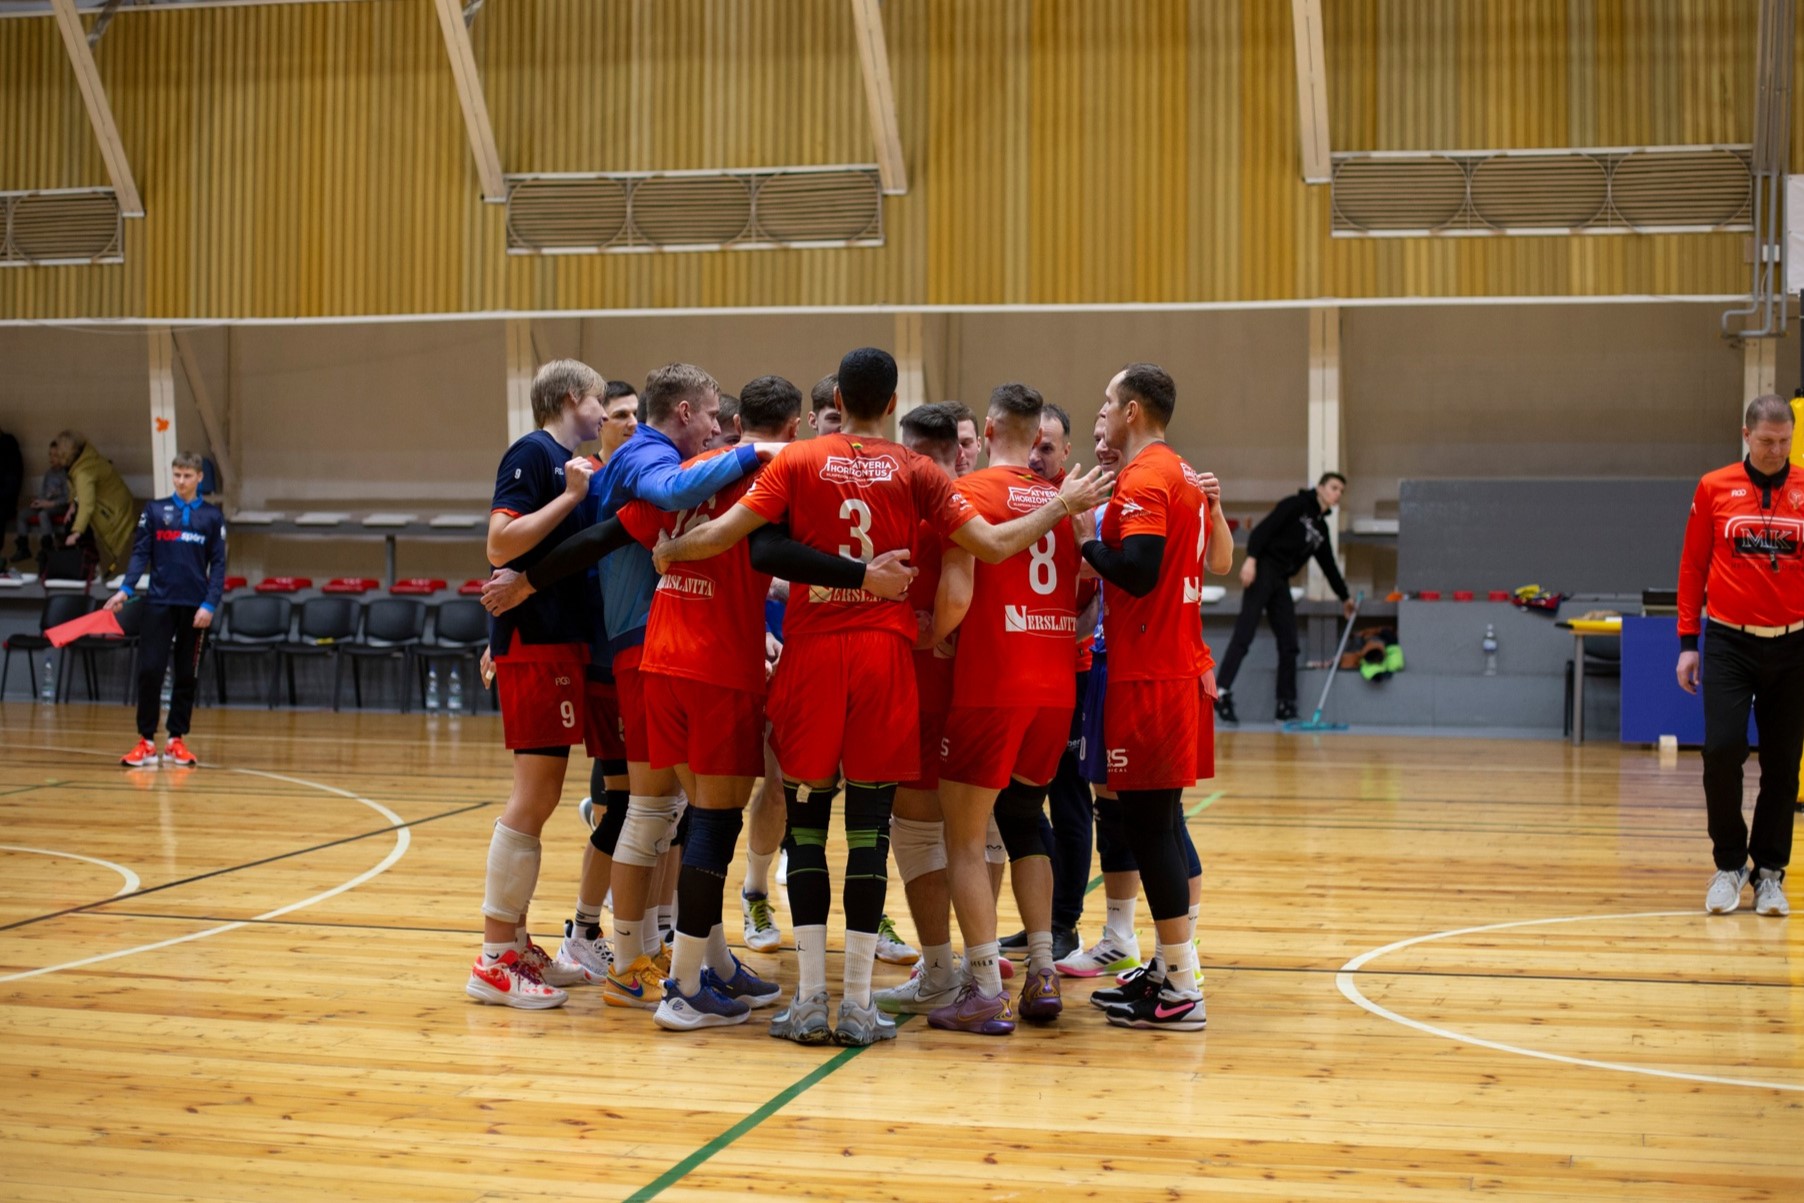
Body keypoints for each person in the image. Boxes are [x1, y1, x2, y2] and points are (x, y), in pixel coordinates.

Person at [653, 346, 1113, 1046]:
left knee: (808, 825)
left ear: (839, 394)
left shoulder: (799, 460)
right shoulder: (918, 469)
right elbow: (990, 546)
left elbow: (729, 536)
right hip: (884, 660)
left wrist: (670, 554)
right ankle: (861, 1004)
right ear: (895, 404)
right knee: (872, 823)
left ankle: (810, 999)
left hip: (811, 658)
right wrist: (1062, 503)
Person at [925, 384, 1086, 1036]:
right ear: (1034, 433)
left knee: (963, 836)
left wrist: (934, 635)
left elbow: (958, 594)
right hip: (1054, 687)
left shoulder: (970, 493)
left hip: (994, 680)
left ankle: (986, 986)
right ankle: (1044, 964)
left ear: (988, 428)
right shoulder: (1062, 502)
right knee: (1023, 818)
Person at [465, 359, 609, 1011]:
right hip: (533, 644)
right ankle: (494, 956)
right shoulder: (534, 453)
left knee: (545, 795)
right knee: (533, 795)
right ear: (573, 398)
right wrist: (572, 498)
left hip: (559, 644)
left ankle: (517, 943)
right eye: (601, 402)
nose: (605, 415)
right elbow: (500, 544)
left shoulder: (568, 460)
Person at [1076, 363, 1216, 1032]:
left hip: (1152, 675)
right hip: (1167, 667)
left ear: (1133, 410)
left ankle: (1183, 985)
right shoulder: (1183, 473)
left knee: (1152, 828)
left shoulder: (1146, 477)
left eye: (1108, 401)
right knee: (1152, 824)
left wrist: (1080, 536)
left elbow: (1138, 569)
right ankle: (1166, 968)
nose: (1101, 411)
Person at [1679, 394, 1802, 918]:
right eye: (1767, 440)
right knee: (1722, 750)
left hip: (1795, 644)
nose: (1776, 451)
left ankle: (1769, 873)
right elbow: (1692, 566)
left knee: (1782, 764)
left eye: (1785, 441)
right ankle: (1729, 863)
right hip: (1729, 640)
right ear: (1747, 435)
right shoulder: (1714, 486)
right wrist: (1688, 643)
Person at [873, 402, 969, 1017]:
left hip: (913, 688)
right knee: (976, 833)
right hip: (974, 693)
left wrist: (925, 633)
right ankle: (980, 958)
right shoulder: (971, 503)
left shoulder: (909, 509)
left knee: (915, 835)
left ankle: (940, 968)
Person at [106, 452, 227, 769]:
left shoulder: (212, 518)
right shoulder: (155, 511)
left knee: (187, 674)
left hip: (195, 608)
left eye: (187, 476)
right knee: (150, 671)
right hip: (159, 603)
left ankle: (176, 740)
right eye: (177, 475)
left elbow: (219, 566)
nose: (181, 481)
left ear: (200, 477)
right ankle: (146, 741)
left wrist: (210, 604)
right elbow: (140, 553)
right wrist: (125, 589)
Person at [1214, 471, 1357, 724]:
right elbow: (1262, 531)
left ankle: (1285, 704)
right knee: (1244, 634)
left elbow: (1329, 567)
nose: (1338, 494)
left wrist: (1345, 597)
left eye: (1341, 491)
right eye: (1334, 487)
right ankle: (1221, 692)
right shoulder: (1296, 504)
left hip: (1281, 580)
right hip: (1263, 569)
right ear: (1321, 488)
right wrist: (1251, 560)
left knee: (1289, 643)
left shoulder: (1320, 529)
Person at [55, 430, 137, 576]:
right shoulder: (88, 460)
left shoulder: (82, 472)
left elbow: (86, 504)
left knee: (122, 563)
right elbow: (84, 493)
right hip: (120, 509)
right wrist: (73, 504)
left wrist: (76, 532)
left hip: (113, 517)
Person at [11, 442, 72, 566]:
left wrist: (49, 503)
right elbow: (43, 493)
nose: (51, 458)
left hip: (58, 507)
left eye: (55, 455)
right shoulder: (49, 473)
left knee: (43, 515)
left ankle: (46, 547)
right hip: (44, 504)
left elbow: (68, 498)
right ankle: (23, 547)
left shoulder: (66, 474)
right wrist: (38, 501)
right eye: (50, 455)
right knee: (22, 515)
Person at [947, 403, 981, 477]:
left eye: (965, 444)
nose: (960, 455)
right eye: (951, 446)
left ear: (979, 444)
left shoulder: (993, 487)